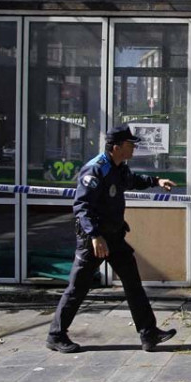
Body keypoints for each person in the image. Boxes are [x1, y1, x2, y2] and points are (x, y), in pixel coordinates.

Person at [46, 124, 178, 353]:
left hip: (114, 237)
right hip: (94, 240)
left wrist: (156, 181)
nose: (133, 148)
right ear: (116, 147)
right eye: (130, 145)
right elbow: (82, 206)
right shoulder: (96, 170)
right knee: (78, 287)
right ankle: (56, 335)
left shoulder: (118, 166)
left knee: (133, 283)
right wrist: (95, 236)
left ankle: (149, 333)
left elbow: (132, 180)